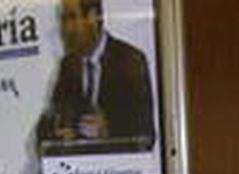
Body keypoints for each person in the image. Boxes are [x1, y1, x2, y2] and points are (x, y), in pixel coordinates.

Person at [38, 0, 155, 150]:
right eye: (64, 20)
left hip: (118, 169)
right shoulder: (68, 65)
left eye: (72, 18)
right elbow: (49, 123)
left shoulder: (129, 60)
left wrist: (108, 130)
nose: (66, 29)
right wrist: (57, 134)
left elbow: (146, 134)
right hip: (79, 169)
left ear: (93, 17)